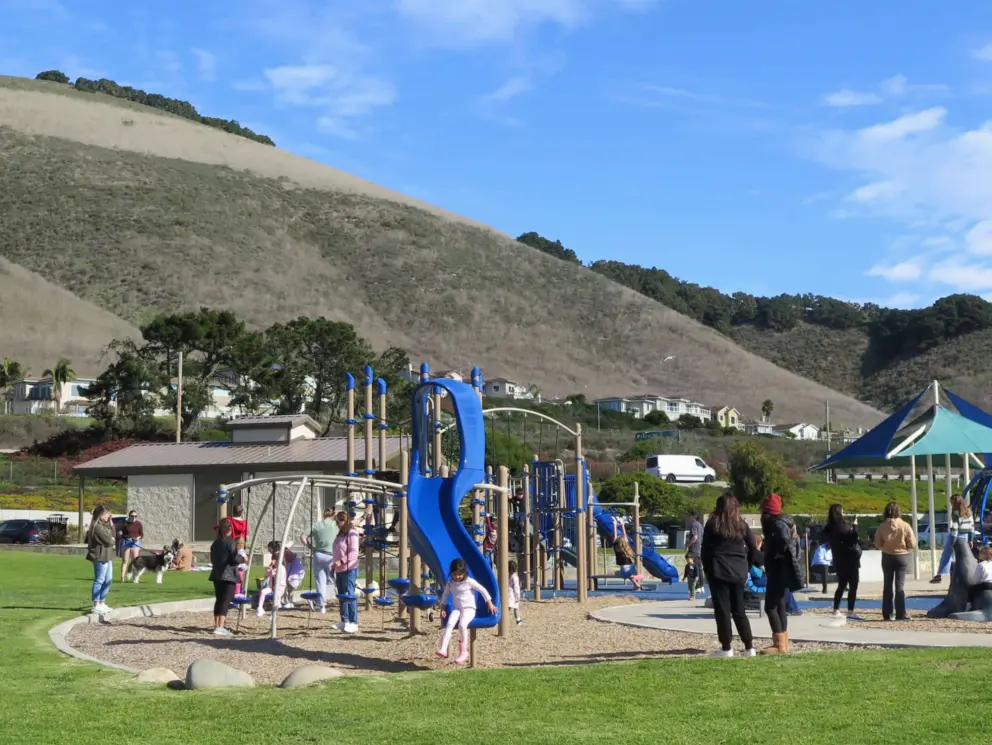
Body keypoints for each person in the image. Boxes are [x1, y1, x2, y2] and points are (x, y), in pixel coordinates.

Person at [700, 492, 761, 658]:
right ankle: (749, 647)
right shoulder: (741, 524)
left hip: (718, 569)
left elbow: (704, 550)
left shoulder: (713, 524)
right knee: (739, 609)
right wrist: (746, 567)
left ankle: (726, 648)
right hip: (739, 570)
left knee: (723, 610)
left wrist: (707, 569)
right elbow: (753, 548)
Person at [759, 494, 803, 655]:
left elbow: (784, 540)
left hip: (777, 568)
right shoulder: (785, 522)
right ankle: (783, 642)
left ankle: (779, 645)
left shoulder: (777, 525)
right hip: (782, 569)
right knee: (780, 605)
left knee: (770, 606)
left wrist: (777, 553)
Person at [436, 558, 497, 664]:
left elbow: (482, 590)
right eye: (455, 574)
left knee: (462, 625)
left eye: (460, 574)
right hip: (457, 609)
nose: (457, 576)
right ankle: (443, 648)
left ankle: (464, 651)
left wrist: (490, 603)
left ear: (464, 573)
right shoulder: (450, 582)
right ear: (452, 573)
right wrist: (442, 608)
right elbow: (445, 595)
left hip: (469, 609)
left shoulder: (469, 582)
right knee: (449, 624)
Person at [874, 501, 916, 621]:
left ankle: (887, 613)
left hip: (887, 555)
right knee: (899, 586)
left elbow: (877, 544)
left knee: (887, 585)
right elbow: (912, 543)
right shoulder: (905, 525)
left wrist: (885, 545)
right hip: (902, 556)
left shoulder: (882, 527)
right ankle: (900, 613)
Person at [823, 504, 863, 620]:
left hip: (838, 558)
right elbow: (852, 539)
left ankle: (836, 609)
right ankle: (850, 610)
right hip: (850, 559)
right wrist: (855, 527)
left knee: (841, 584)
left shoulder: (828, 528)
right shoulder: (843, 526)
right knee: (853, 584)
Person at [931, 494, 975, 584]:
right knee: (962, 556)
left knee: (946, 555)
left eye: (951, 502)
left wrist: (952, 542)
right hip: (966, 536)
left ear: (955, 502)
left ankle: (940, 575)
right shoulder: (968, 511)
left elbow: (955, 528)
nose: (950, 504)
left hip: (956, 535)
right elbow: (972, 527)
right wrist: (970, 539)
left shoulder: (955, 512)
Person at [208, 518, 241, 636]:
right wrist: (242, 558)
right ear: (228, 529)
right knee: (225, 601)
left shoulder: (215, 543)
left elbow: (212, 559)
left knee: (219, 599)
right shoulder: (231, 542)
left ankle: (217, 625)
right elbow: (234, 558)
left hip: (216, 574)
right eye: (231, 528)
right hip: (228, 575)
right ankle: (221, 627)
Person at [301, 508, 338, 614]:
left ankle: (321, 606)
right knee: (333, 579)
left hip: (319, 554)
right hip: (332, 555)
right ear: (333, 515)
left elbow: (303, 536)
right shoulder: (335, 525)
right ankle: (337, 599)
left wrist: (310, 546)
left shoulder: (316, 525)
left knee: (320, 581)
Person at [332, 511, 361, 633]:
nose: (337, 524)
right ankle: (344, 621)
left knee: (349, 594)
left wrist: (342, 561)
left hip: (349, 568)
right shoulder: (340, 534)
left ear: (344, 521)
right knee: (342, 595)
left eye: (338, 522)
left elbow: (354, 552)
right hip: (339, 569)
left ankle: (353, 622)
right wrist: (334, 566)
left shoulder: (352, 533)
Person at [85, 505, 116, 615]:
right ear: (101, 515)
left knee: (108, 580)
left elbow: (113, 536)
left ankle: (102, 602)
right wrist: (112, 539)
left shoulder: (105, 525)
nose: (109, 516)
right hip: (99, 556)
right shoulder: (97, 527)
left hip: (107, 556)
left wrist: (111, 523)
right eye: (107, 514)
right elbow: (108, 540)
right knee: (99, 579)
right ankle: (96, 604)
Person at [119, 510, 144, 583]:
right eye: (132, 516)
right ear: (129, 516)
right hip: (127, 542)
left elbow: (141, 534)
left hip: (135, 543)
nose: (134, 517)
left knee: (136, 561)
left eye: (135, 516)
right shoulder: (125, 524)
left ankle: (136, 577)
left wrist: (137, 538)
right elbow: (121, 534)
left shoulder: (139, 524)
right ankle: (122, 577)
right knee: (125, 561)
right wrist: (128, 537)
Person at [685, 509, 704, 593]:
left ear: (693, 517)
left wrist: (687, 545)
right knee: (699, 568)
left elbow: (695, 537)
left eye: (689, 516)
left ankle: (696, 586)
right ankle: (701, 586)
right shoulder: (700, 526)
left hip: (694, 549)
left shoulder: (693, 525)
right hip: (699, 549)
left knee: (692, 567)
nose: (689, 518)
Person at [508, 559, 523, 625]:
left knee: (511, 606)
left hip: (508, 592)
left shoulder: (508, 575)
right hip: (512, 594)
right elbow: (516, 588)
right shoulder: (515, 577)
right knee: (514, 606)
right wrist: (518, 596)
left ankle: (518, 619)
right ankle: (518, 620)